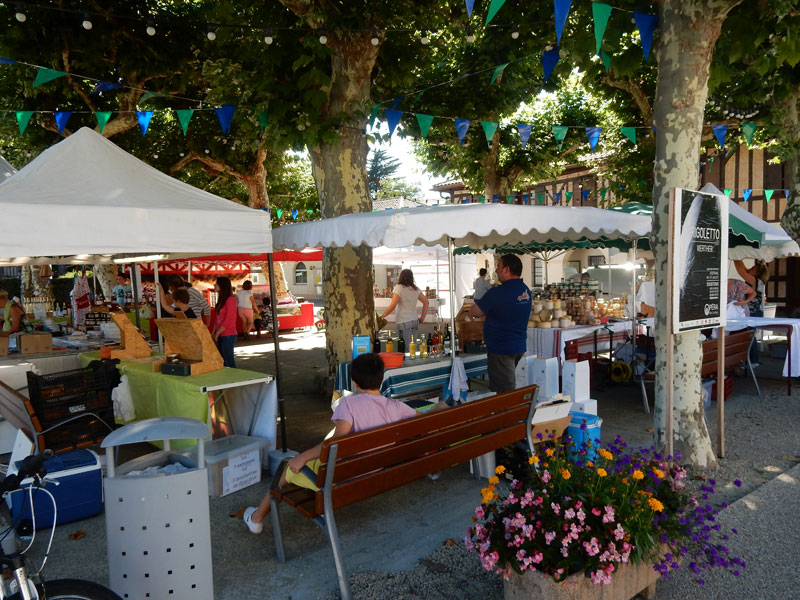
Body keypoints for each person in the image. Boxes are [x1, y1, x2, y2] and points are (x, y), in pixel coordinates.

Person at [242, 353, 418, 534]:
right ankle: (259, 515)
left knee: (288, 467)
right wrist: (441, 406)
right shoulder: (396, 406)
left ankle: (256, 518)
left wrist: (302, 457)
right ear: (382, 379)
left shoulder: (349, 404)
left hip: (341, 478)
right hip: (373, 471)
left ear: (355, 382)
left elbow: (336, 444)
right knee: (316, 452)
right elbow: (423, 418)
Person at [468, 254, 531, 392]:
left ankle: (507, 412)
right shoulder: (525, 290)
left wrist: (485, 312)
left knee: (503, 391)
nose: (496, 270)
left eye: (499, 266)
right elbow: (508, 310)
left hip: (502, 347)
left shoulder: (498, 292)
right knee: (507, 384)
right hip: (518, 345)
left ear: (506, 269)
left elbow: (474, 311)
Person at [379, 268, 429, 345]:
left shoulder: (399, 288)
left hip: (403, 321)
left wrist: (383, 316)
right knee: (414, 345)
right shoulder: (416, 289)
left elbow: (393, 305)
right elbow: (426, 302)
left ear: (401, 277)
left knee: (406, 347)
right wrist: (422, 318)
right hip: (414, 320)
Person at [734, 259, 770, 365]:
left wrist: (735, 255)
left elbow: (742, 272)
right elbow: (744, 269)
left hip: (753, 313)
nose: (749, 268)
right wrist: (737, 257)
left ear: (757, 272)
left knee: (750, 336)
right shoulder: (757, 281)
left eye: (753, 268)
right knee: (749, 335)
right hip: (754, 312)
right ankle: (752, 360)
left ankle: (753, 361)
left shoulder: (755, 281)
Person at [211, 276, 238, 368]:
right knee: (223, 361)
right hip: (220, 334)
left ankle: (235, 379)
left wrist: (217, 333)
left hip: (228, 334)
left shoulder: (230, 300)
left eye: (216, 284)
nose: (214, 285)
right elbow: (216, 319)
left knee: (229, 360)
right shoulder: (221, 300)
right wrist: (214, 332)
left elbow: (228, 319)